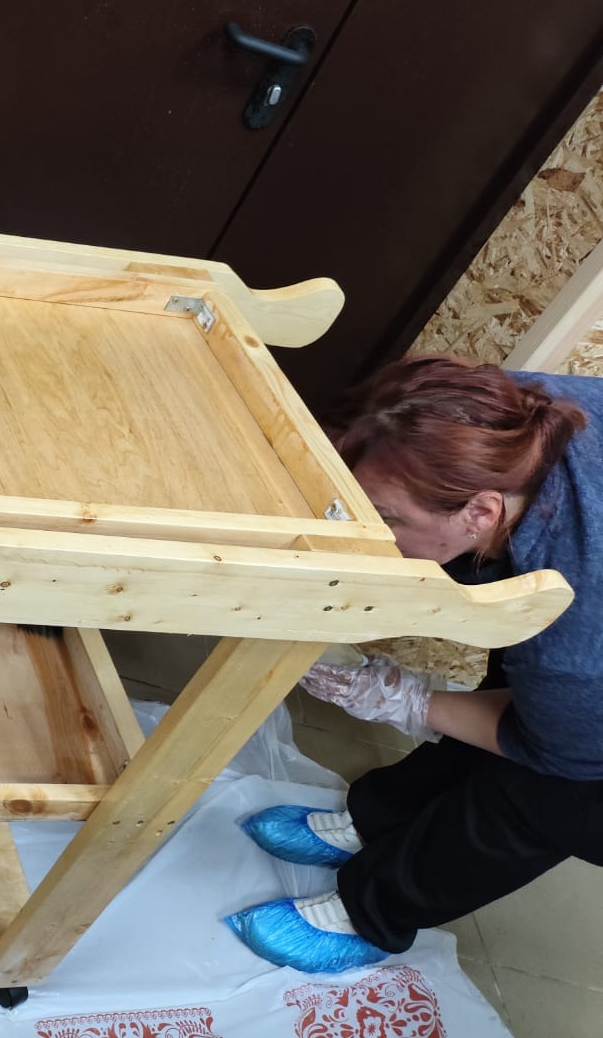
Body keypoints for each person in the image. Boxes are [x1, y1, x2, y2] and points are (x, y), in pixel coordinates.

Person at [226, 355, 603, 973]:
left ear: (481, 512)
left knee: (542, 795)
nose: (374, 533)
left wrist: (406, 698)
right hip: (581, 660)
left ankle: (374, 910)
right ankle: (381, 818)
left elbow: (562, 751)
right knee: (521, 683)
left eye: (387, 520)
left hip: (585, 755)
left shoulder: (577, 643)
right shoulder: (506, 417)